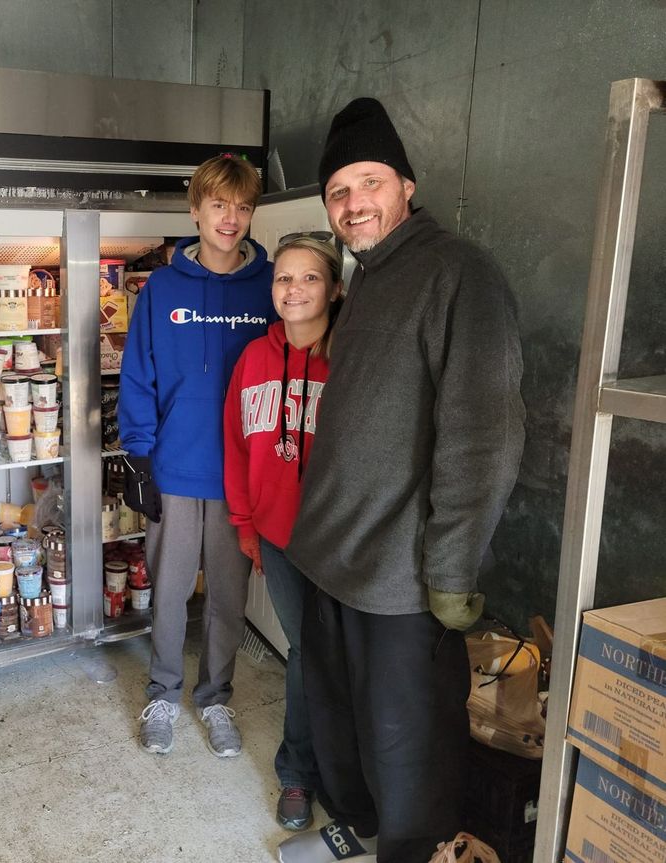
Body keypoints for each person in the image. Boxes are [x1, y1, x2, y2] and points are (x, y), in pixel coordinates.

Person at [277, 98, 525, 863]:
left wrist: (450, 572)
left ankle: (412, 850)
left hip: (400, 579)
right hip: (329, 557)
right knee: (344, 725)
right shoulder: (367, 280)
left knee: (408, 746)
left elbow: (483, 435)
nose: (354, 204)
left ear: (406, 186)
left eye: (369, 183)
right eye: (339, 191)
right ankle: (367, 826)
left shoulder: (459, 273)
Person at [118, 154, 275, 757]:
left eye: (242, 207)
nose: (230, 219)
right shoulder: (162, 288)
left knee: (229, 599)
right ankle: (162, 692)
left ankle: (215, 699)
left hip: (242, 476)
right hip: (177, 468)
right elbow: (139, 374)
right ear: (196, 211)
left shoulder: (268, 287)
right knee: (171, 588)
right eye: (218, 205)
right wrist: (139, 455)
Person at [223, 234, 343, 831]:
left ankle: (341, 773)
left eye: (309, 278)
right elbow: (237, 447)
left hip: (342, 542)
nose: (293, 290)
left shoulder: (350, 358)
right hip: (278, 536)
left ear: (336, 288)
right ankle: (298, 773)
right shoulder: (253, 359)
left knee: (337, 655)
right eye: (283, 279)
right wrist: (247, 526)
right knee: (306, 652)